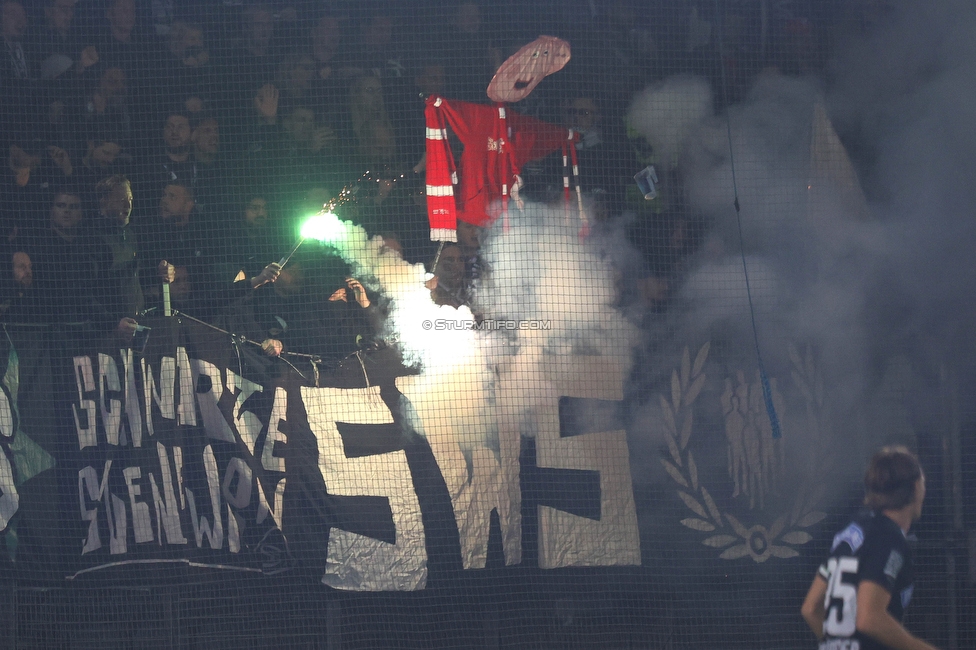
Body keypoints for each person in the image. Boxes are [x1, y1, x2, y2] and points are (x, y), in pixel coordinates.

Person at [801, 445, 940, 650]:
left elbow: (811, 609)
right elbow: (869, 618)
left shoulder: (852, 533)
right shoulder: (889, 539)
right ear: (916, 487)